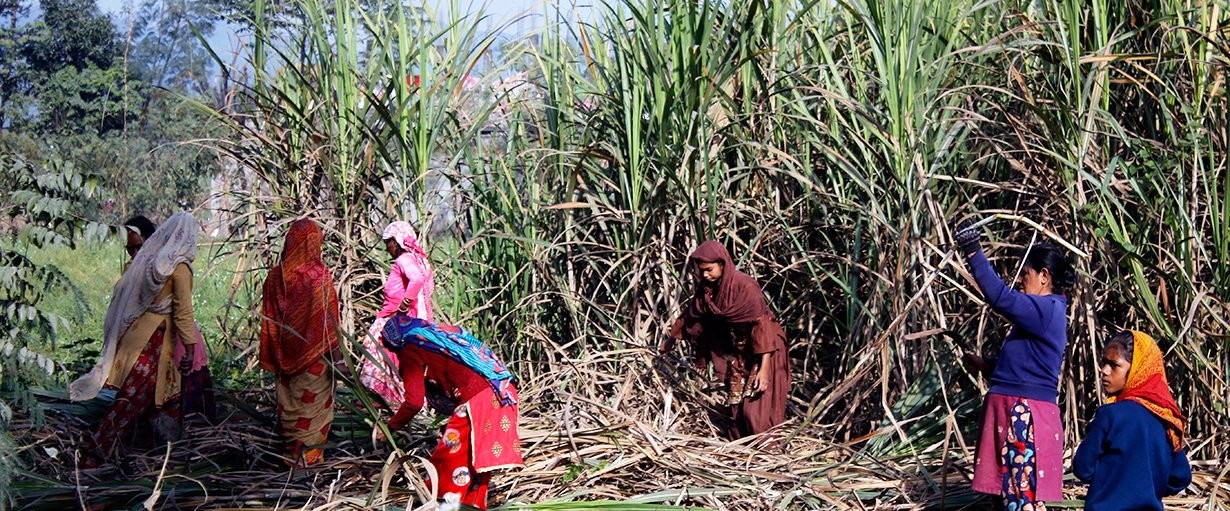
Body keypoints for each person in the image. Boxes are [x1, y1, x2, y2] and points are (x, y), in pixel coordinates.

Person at [953, 221, 1075, 510]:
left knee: (1021, 498)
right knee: (1008, 497)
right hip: (1013, 410)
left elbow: (1000, 297)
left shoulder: (1047, 309)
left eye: (1027, 274)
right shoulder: (1041, 314)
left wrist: (973, 250)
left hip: (1024, 417)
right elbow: (1025, 369)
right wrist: (986, 366)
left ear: (1044, 277)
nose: (1021, 280)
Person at [71, 212, 212, 459]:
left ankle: (146, 455)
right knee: (129, 402)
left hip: (134, 340)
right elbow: (183, 314)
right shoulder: (178, 268)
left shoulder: (149, 263)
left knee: (150, 403)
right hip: (153, 347)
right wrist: (189, 350)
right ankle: (96, 454)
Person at [373, 315, 523, 510]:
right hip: (503, 390)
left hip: (482, 397)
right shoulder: (437, 336)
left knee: (449, 454)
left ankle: (438, 502)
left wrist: (389, 428)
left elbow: (413, 402)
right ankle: (473, 504)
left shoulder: (412, 348)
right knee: (475, 456)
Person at [662, 240, 790, 439]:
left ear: (723, 264)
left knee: (757, 408)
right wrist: (670, 340)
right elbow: (692, 315)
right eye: (701, 270)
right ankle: (742, 447)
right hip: (742, 348)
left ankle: (766, 449)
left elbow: (762, 325)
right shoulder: (708, 290)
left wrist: (764, 368)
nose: (705, 274)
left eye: (709, 269)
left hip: (767, 348)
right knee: (738, 405)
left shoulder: (745, 287)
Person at [1073, 330, 1191, 510]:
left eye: (1114, 365)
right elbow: (1180, 476)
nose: (1104, 371)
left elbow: (1083, 468)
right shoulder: (1167, 420)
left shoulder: (1110, 415)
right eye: (1104, 362)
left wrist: (1109, 484)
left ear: (1137, 368)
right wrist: (1147, 489)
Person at [259, 218, 341, 466]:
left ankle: (291, 457)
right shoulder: (319, 278)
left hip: (284, 357)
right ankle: (308, 460)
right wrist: (339, 361)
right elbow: (329, 325)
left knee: (291, 407)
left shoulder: (274, 278)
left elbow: (269, 320)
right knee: (311, 411)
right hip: (314, 362)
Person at [360, 221, 435, 406]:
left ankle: (382, 396)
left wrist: (402, 308)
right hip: (410, 318)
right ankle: (397, 397)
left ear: (397, 241)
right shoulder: (418, 259)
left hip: (397, 317)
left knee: (374, 344)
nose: (388, 250)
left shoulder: (404, 260)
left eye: (388, 244)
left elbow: (416, 280)